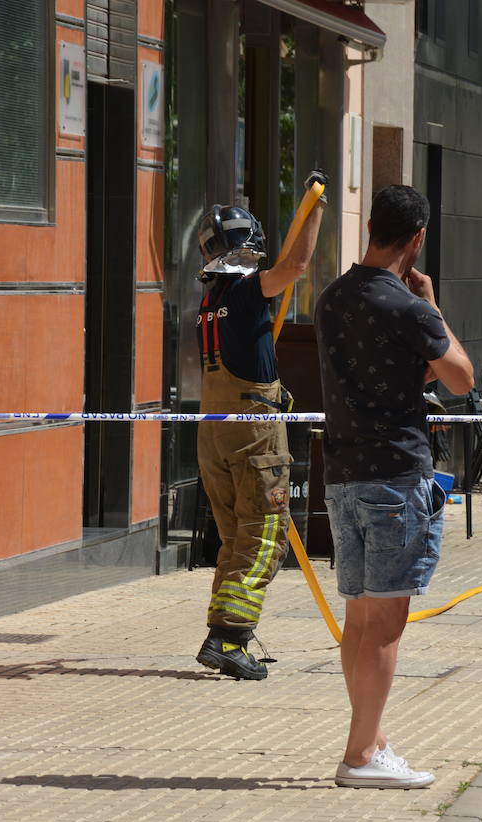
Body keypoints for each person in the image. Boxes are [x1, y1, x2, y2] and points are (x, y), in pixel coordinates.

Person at [316, 184, 474, 789]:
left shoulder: (332, 298)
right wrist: (432, 306)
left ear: (372, 228)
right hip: (395, 475)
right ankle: (360, 756)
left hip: (344, 476)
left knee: (359, 620)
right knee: (385, 625)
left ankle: (372, 740)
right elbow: (460, 378)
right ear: (417, 238)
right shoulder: (408, 309)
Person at [194, 172, 327, 681]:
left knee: (235, 537)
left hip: (215, 434)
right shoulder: (247, 291)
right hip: (252, 435)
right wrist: (317, 206)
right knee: (262, 536)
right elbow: (295, 266)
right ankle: (229, 638)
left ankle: (222, 635)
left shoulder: (209, 301)